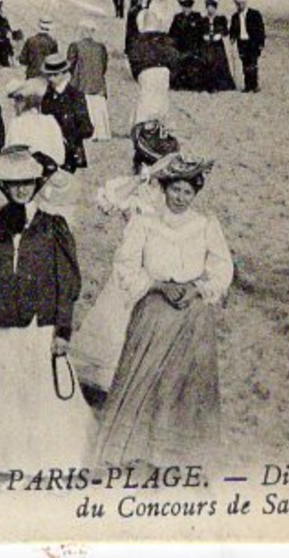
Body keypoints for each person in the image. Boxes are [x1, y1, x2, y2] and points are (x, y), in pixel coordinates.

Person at [0, 147, 94, 473]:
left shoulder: (53, 227)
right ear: (4, 186)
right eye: (13, 183)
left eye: (27, 183)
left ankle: (48, 461)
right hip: (4, 327)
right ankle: (1, 462)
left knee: (41, 393)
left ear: (37, 183)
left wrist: (62, 330)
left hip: (40, 327)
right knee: (3, 394)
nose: (21, 189)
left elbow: (67, 283)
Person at [94, 155, 234, 469]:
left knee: (182, 381)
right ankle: (137, 450)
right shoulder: (145, 223)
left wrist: (198, 288)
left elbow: (222, 266)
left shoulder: (205, 225)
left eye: (187, 192)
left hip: (192, 313)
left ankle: (175, 454)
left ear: (194, 194)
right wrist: (156, 285)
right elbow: (126, 266)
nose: (180, 198)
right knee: (144, 376)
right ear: (165, 189)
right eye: (176, 190)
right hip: (155, 309)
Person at [71, 119, 182, 400]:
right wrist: (143, 177)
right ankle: (108, 382)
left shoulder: (171, 194)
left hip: (158, 264)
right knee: (115, 320)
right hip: (129, 263)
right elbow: (107, 201)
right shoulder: (130, 187)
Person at [39, 53, 93, 173]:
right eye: (49, 75)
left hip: (71, 154)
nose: (51, 78)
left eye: (55, 74)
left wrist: (67, 135)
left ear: (64, 73)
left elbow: (87, 128)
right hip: (50, 152)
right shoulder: (46, 97)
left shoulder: (76, 96)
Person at [67, 23, 112, 142]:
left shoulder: (75, 46)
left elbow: (70, 65)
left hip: (82, 84)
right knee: (99, 109)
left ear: (82, 31)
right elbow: (104, 66)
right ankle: (102, 133)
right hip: (98, 85)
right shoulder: (100, 47)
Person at [199, 0, 237, 93]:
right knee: (205, 61)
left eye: (212, 7)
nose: (210, 9)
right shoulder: (203, 19)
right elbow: (199, 31)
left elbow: (225, 31)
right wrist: (204, 36)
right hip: (206, 44)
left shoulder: (221, 18)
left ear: (215, 8)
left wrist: (219, 35)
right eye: (208, 7)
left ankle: (220, 85)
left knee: (218, 62)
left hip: (217, 44)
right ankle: (207, 85)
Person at [229, 0, 267, 93]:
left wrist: (261, 43)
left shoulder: (254, 14)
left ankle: (254, 85)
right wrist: (232, 37)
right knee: (244, 63)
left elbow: (261, 29)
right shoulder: (235, 17)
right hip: (242, 42)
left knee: (253, 63)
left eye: (240, 3)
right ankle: (247, 85)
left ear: (245, 4)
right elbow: (233, 30)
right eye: (237, 4)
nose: (239, 6)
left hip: (253, 42)